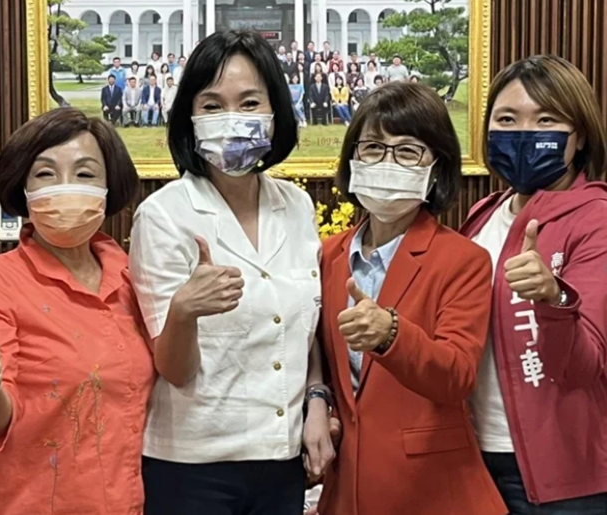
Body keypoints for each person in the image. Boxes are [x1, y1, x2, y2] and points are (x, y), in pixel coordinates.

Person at [130, 30, 337, 515]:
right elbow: (175, 371)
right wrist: (184, 311)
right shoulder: (164, 215)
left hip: (282, 457)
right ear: (189, 117)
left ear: (275, 112)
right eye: (212, 105)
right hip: (193, 467)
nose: (232, 119)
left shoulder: (297, 206)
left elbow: (302, 329)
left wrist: (317, 399)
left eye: (249, 103)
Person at [0, 107, 154, 515]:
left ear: (109, 185)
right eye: (45, 173)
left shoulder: (135, 277)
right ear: (22, 188)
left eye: (85, 173)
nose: (66, 187)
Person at [317, 81, 506, 515]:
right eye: (373, 148)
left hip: (434, 491)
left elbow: (457, 376)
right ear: (352, 159)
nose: (387, 162)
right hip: (349, 489)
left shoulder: (463, 260)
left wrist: (392, 334)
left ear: (436, 167)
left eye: (407, 151)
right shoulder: (328, 256)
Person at [461, 55, 607, 514]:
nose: (524, 133)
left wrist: (553, 297)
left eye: (545, 120)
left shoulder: (597, 220)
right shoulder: (483, 216)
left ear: (580, 135)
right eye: (507, 119)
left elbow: (585, 365)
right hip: (474, 459)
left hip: (565, 479)